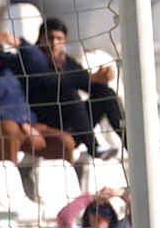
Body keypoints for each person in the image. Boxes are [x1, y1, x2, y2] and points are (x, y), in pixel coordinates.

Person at [0, 26, 74, 164]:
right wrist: (22, 124)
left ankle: (66, 183)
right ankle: (9, 182)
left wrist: (18, 42)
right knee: (9, 130)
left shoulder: (7, 64)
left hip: (27, 126)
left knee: (65, 142)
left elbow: (40, 65)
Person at [21, 18, 124, 159]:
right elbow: (53, 82)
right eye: (50, 38)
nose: (54, 43)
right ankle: (94, 148)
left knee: (105, 93)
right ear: (40, 38)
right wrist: (91, 78)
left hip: (73, 124)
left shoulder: (66, 62)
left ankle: (129, 141)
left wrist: (101, 79)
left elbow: (85, 82)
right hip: (46, 124)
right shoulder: (32, 59)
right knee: (69, 93)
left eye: (59, 39)